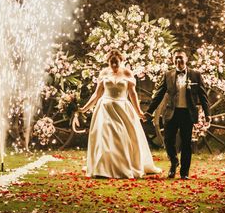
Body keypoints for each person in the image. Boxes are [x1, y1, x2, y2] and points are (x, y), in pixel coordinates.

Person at [79, 49, 161, 179]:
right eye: (111, 63)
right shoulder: (104, 73)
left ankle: (123, 165)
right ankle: (103, 168)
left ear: (121, 61)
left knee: (121, 136)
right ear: (108, 62)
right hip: (105, 108)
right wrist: (84, 108)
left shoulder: (127, 73)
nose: (114, 66)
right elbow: (97, 94)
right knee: (105, 136)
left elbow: (133, 94)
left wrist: (139, 111)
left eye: (116, 63)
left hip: (122, 107)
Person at [145, 49, 210, 179]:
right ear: (173, 60)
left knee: (186, 143)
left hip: (187, 113)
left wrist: (207, 113)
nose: (178, 61)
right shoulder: (168, 75)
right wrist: (149, 111)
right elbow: (159, 94)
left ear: (186, 59)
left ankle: (184, 173)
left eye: (181, 58)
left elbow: (203, 96)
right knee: (168, 141)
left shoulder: (195, 75)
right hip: (171, 113)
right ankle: (174, 162)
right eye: (176, 58)